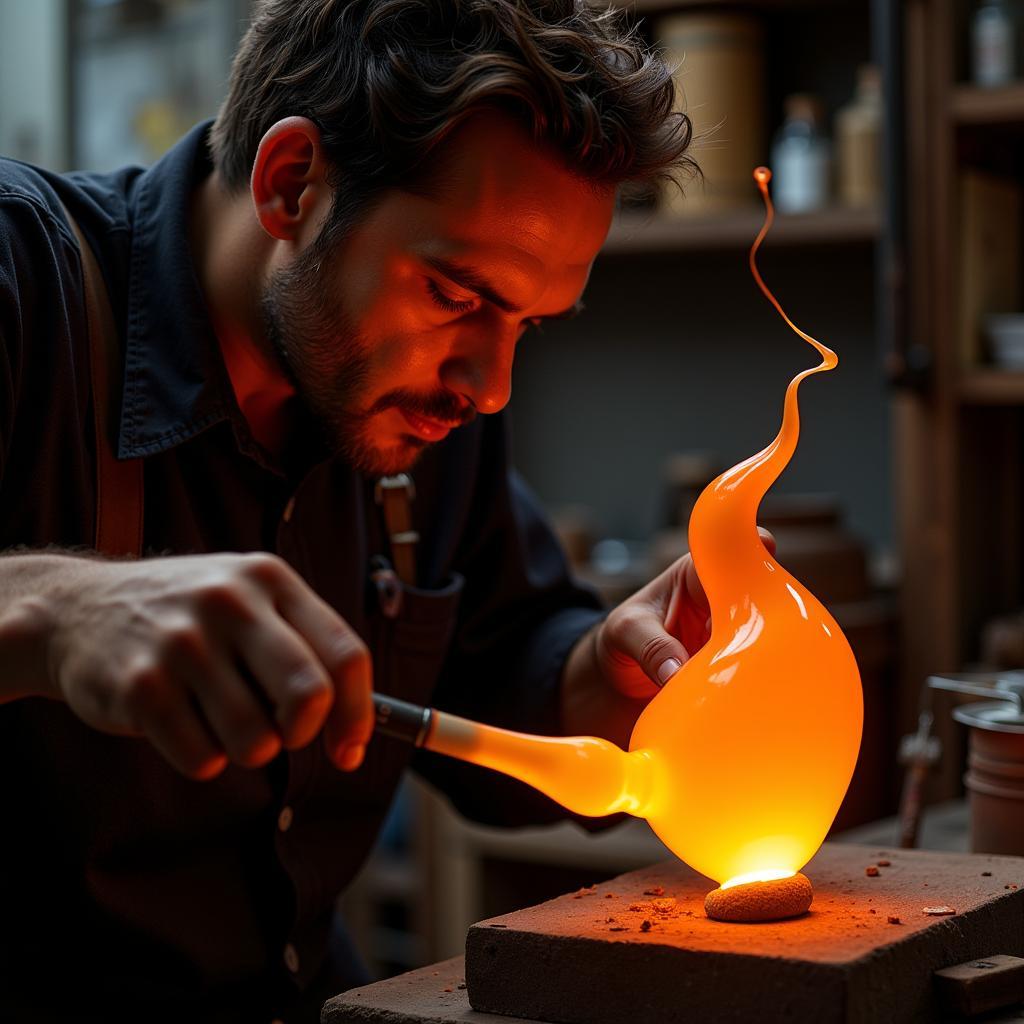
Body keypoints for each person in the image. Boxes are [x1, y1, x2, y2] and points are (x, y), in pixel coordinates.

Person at [0, 1, 725, 1020]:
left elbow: (503, 662)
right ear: (291, 182)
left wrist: (598, 675)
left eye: (529, 322)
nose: (492, 383)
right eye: (457, 293)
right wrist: (50, 610)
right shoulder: (23, 282)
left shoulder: (424, 410)